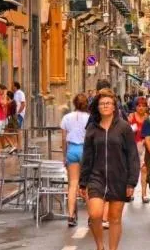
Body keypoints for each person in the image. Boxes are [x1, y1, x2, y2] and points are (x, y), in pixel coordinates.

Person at [80, 89, 139, 250]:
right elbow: (87, 156)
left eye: (108, 103)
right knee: (95, 215)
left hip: (119, 177)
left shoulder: (124, 128)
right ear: (97, 107)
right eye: (102, 103)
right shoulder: (92, 128)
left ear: (114, 107)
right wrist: (83, 182)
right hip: (96, 177)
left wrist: (131, 182)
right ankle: (100, 246)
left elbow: (133, 156)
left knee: (114, 219)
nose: (105, 106)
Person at [61, 93, 90, 227]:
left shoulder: (66, 117)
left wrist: (64, 156)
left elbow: (63, 139)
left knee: (73, 184)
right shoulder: (90, 118)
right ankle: (91, 216)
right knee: (88, 185)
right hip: (85, 150)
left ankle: (71, 216)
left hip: (72, 150)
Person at [128, 96, 150, 204]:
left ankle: (144, 194)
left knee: (144, 170)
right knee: (133, 170)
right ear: (135, 107)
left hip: (145, 146)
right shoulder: (131, 116)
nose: (141, 108)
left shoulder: (148, 118)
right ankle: (131, 192)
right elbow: (126, 131)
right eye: (139, 106)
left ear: (146, 107)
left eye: (143, 106)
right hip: (133, 146)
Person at [12, 81, 26, 149]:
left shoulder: (20, 93)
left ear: (15, 86)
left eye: (13, 85)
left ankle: (20, 146)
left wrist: (18, 113)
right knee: (16, 130)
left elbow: (23, 104)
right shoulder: (15, 94)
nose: (12, 87)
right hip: (15, 114)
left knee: (18, 129)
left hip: (19, 114)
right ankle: (17, 145)